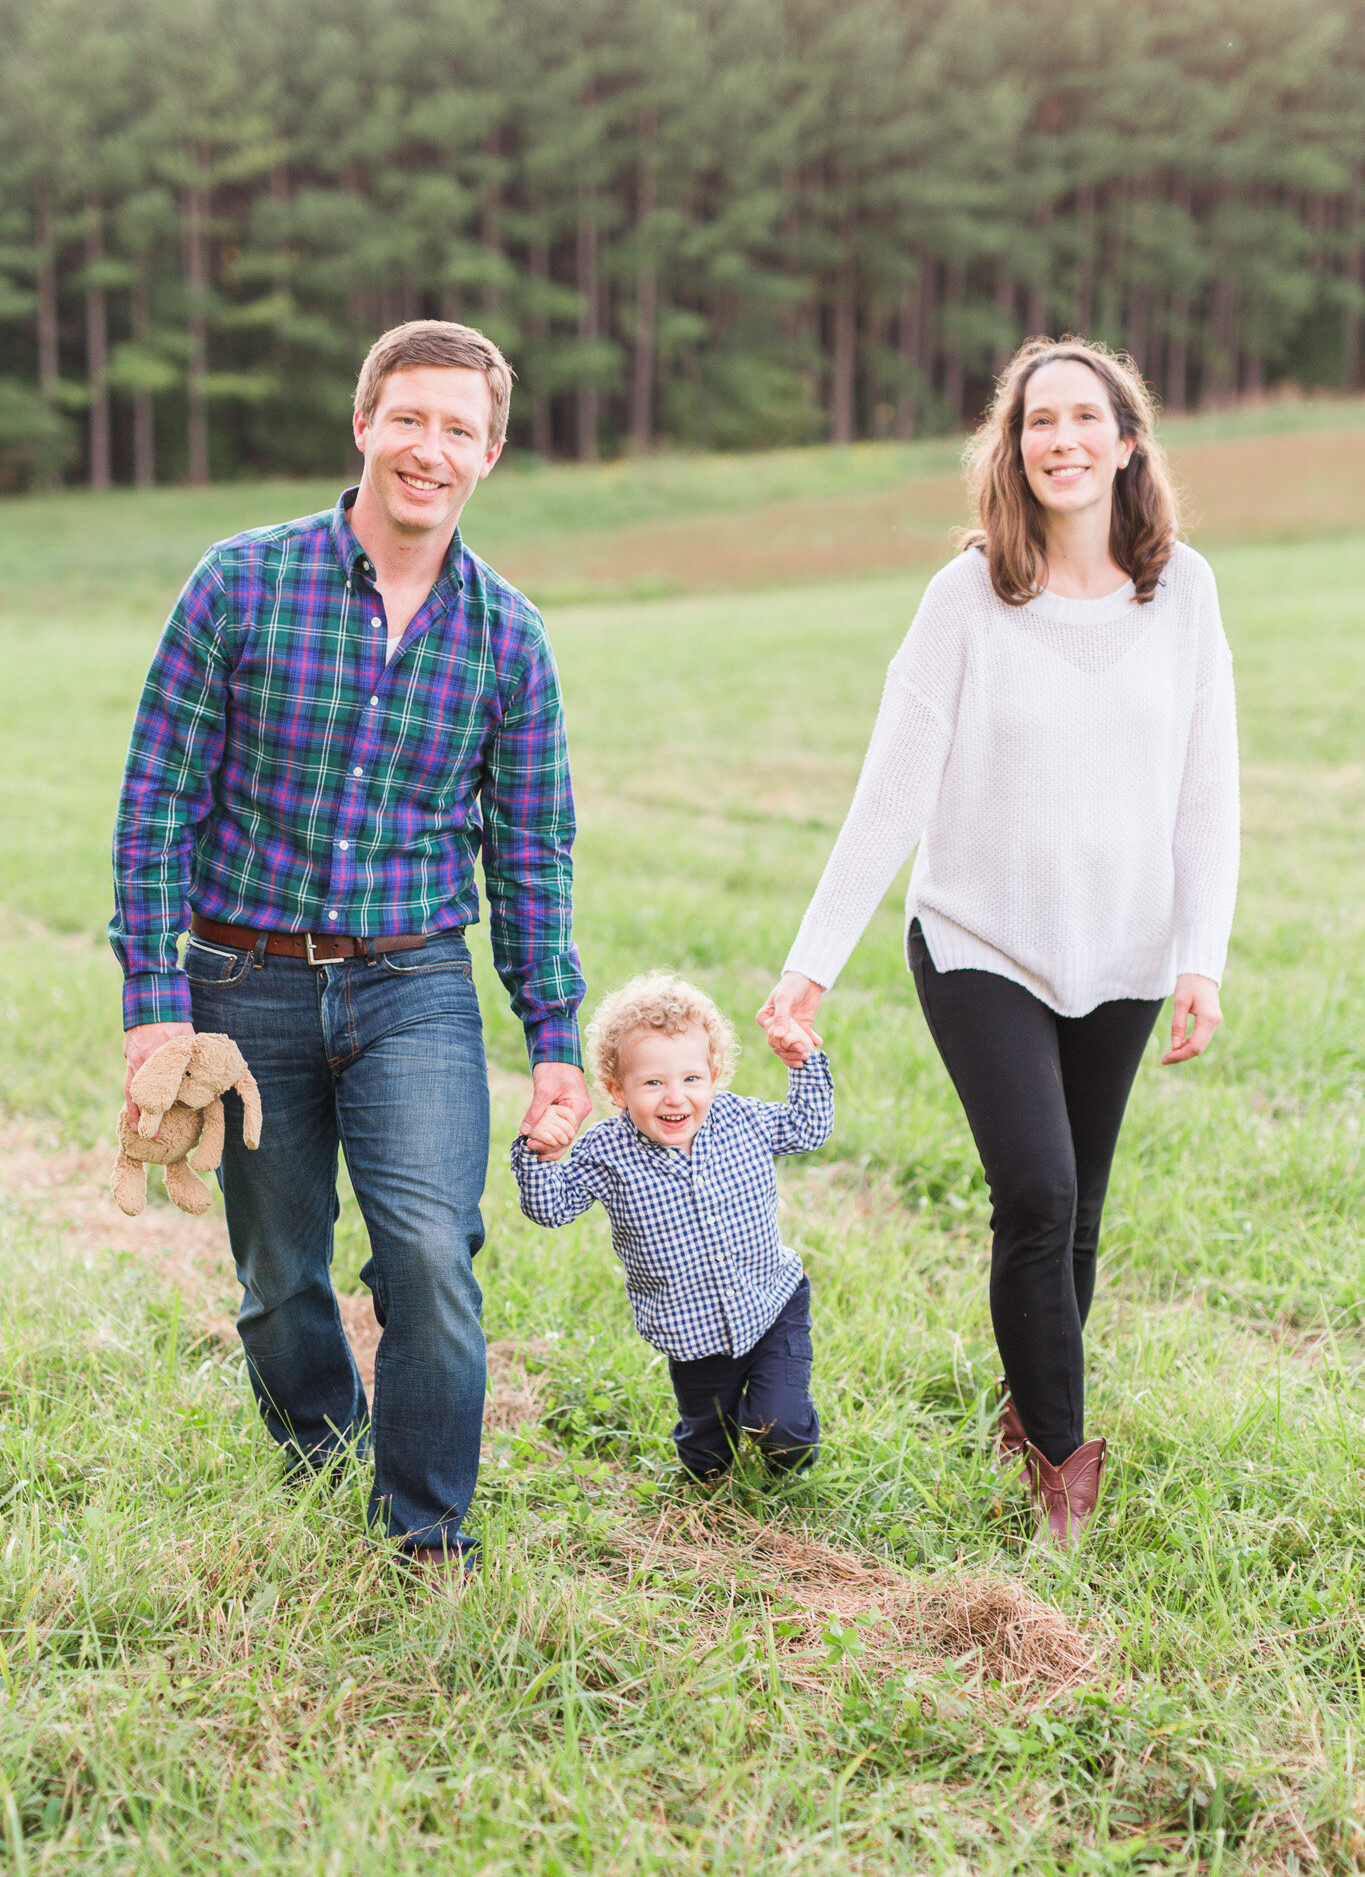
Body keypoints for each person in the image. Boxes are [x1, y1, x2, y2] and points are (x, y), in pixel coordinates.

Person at [110, 319, 591, 1579]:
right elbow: (158, 791)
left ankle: (426, 1526)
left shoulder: (508, 638)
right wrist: (154, 1002)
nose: (430, 449)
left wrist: (552, 1038)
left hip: (413, 979)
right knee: (279, 1277)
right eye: (410, 417)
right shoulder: (239, 581)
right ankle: (324, 1449)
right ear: (365, 423)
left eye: (459, 429)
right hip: (241, 975)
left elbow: (531, 850)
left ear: (489, 455)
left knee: (431, 1247)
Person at [759, 336, 1239, 1550]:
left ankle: (1029, 1407)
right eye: (1038, 422)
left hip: (1123, 949)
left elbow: (1209, 790)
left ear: (1129, 440)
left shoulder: (1184, 591)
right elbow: (890, 795)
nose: (1062, 439)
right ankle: (1062, 1480)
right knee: (1037, 1189)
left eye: (1086, 417)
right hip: (981, 940)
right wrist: (810, 966)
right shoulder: (967, 595)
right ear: (1011, 448)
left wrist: (1202, 956)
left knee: (1078, 1213)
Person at [513, 973, 832, 1480]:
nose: (675, 1098)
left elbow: (807, 1128)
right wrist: (539, 1153)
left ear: (714, 1073)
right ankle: (706, 1478)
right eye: (653, 1082)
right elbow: (552, 1209)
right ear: (618, 1089)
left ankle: (787, 1462)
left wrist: (803, 1063)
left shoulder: (740, 1120)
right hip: (691, 1332)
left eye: (690, 1079)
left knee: (781, 1426)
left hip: (772, 1304)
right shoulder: (606, 1151)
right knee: (707, 1449)